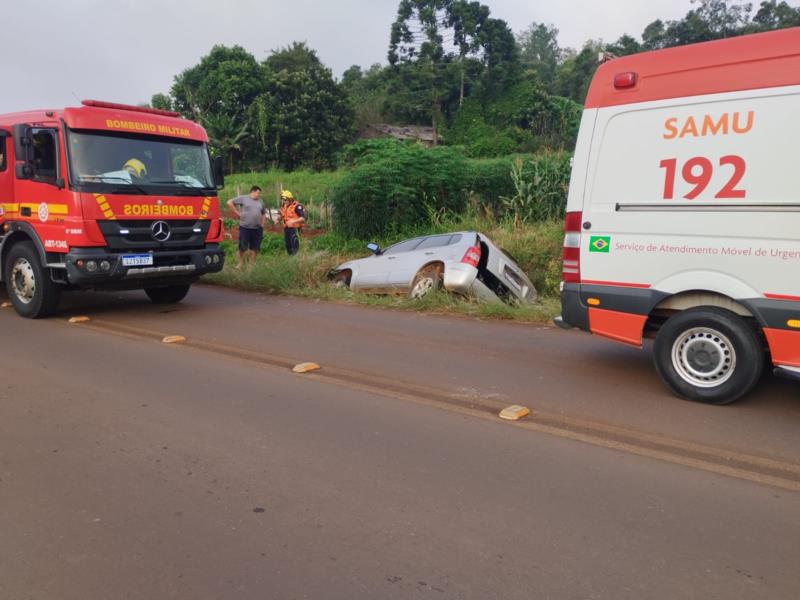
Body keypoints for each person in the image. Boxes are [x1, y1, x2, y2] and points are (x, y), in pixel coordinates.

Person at [227, 186, 266, 269]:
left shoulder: (260, 201)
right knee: (242, 246)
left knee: (255, 247)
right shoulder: (244, 198)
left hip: (257, 228)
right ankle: (240, 263)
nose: (259, 195)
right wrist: (237, 213)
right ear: (253, 192)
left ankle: (252, 265)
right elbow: (229, 202)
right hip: (245, 227)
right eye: (258, 193)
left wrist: (262, 224)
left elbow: (263, 213)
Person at [278, 190, 306, 255]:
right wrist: (279, 218)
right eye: (283, 200)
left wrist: (293, 221)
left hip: (295, 229)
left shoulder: (297, 206)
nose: (284, 202)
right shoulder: (284, 206)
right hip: (286, 229)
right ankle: (291, 259)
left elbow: (303, 218)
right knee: (288, 245)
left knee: (294, 245)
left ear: (290, 199)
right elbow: (283, 215)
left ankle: (296, 259)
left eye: (285, 200)